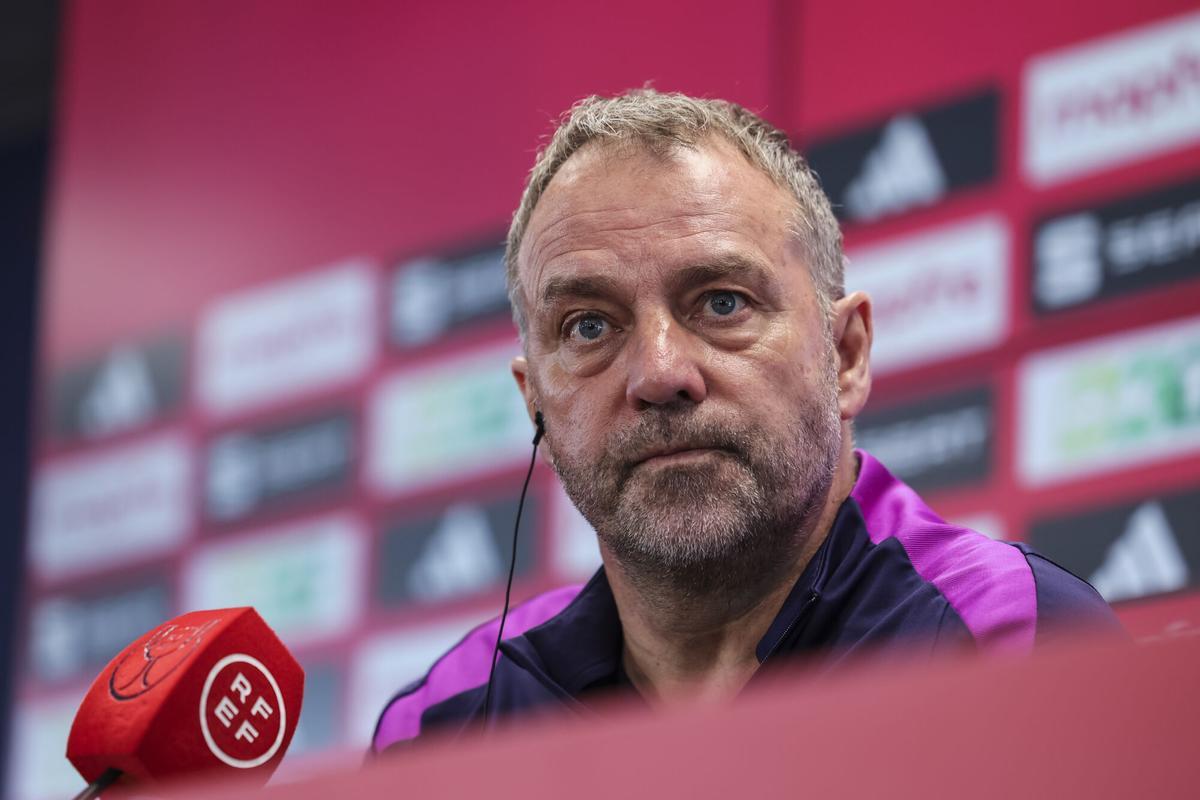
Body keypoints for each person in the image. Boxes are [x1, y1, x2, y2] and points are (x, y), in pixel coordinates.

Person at [372, 89, 1121, 752]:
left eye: (722, 303)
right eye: (590, 327)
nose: (660, 374)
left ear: (847, 355)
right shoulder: (445, 726)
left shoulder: (1014, 642)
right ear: (534, 399)